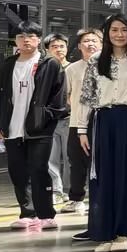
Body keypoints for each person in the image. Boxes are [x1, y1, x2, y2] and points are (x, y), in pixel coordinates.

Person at [76, 14, 127, 252]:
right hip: (102, 121)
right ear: (107, 33)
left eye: (124, 30)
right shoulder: (96, 61)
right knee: (102, 178)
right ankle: (105, 233)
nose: (119, 34)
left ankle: (123, 233)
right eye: (114, 30)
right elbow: (86, 97)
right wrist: (82, 129)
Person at [0, 22, 68, 230]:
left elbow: (59, 95)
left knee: (39, 169)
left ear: (39, 39)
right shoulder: (8, 65)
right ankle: (27, 213)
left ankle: (46, 214)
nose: (26, 40)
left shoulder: (50, 64)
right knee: (18, 172)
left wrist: (47, 118)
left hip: (39, 128)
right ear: (15, 41)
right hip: (12, 128)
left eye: (31, 36)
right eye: (21, 36)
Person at [61, 28, 101, 214]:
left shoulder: (108, 66)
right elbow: (66, 95)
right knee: (76, 162)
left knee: (99, 162)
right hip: (77, 123)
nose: (90, 44)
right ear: (78, 46)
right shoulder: (71, 69)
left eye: (94, 40)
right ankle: (76, 199)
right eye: (86, 41)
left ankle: (99, 198)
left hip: (101, 122)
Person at [43, 33, 72, 203]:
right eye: (54, 47)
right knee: (50, 158)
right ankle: (56, 190)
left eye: (62, 46)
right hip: (50, 120)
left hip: (69, 118)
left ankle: (69, 190)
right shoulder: (44, 69)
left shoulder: (73, 68)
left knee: (70, 157)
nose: (59, 49)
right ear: (47, 50)